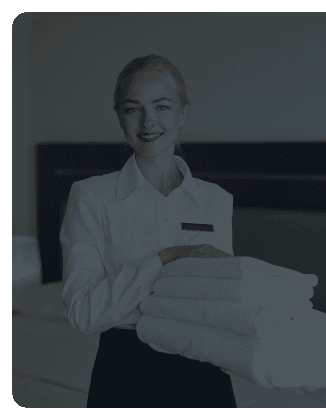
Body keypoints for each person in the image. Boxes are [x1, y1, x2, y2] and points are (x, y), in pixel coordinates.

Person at [60, 54, 237, 409]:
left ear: (183, 114)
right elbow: (83, 312)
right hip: (125, 369)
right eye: (132, 109)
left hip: (206, 365)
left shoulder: (215, 200)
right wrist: (166, 257)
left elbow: (221, 297)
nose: (148, 121)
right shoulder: (91, 197)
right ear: (119, 117)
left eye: (162, 107)